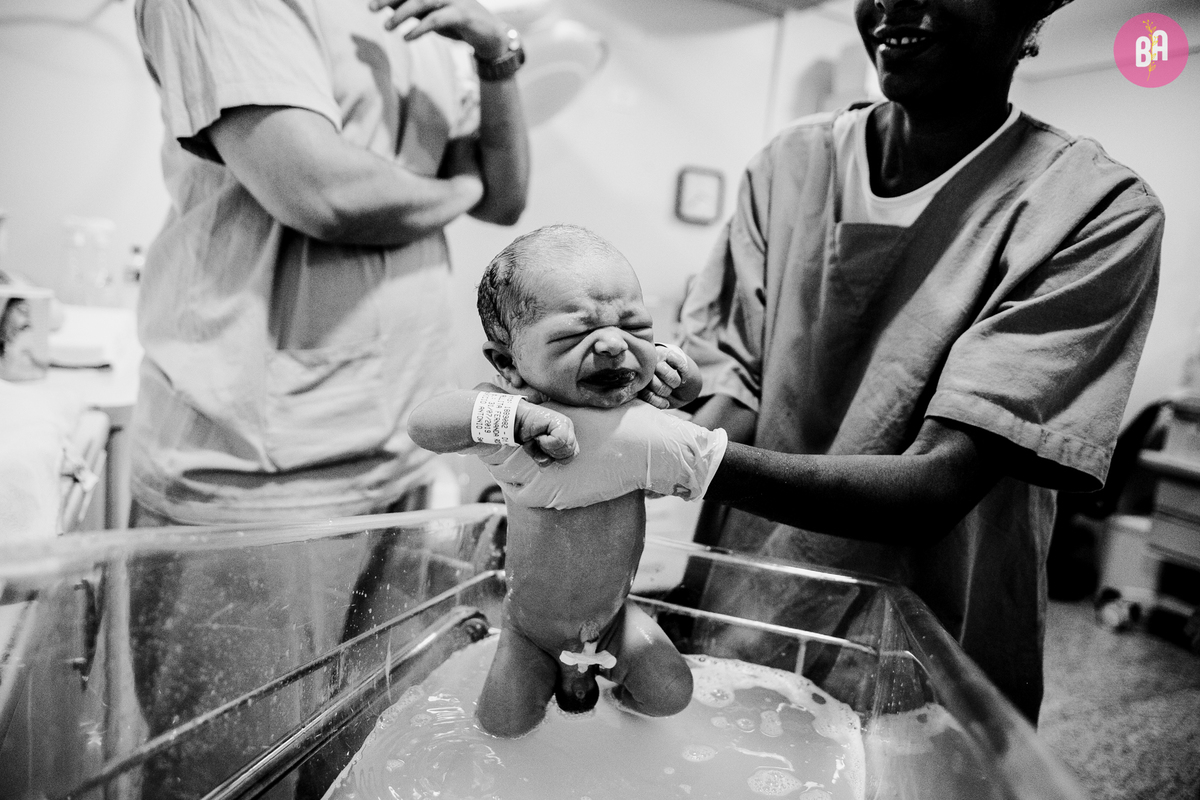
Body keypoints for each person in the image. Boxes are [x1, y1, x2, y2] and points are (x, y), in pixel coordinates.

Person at [493, 0, 1164, 725]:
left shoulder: (1094, 211)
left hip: (929, 637)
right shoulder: (788, 168)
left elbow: (936, 486)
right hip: (754, 599)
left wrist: (665, 457)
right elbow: (730, 387)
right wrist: (599, 511)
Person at [124, 0, 529, 795]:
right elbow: (321, 191)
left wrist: (495, 49)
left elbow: (507, 196)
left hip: (398, 464)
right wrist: (459, 186)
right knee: (235, 781)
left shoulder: (422, 21)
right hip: (261, 482)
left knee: (366, 771)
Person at [407, 225, 724, 736]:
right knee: (503, 728)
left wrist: (676, 372)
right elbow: (426, 423)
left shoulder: (632, 405)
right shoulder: (514, 409)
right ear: (508, 363)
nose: (613, 347)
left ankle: (623, 719)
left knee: (670, 692)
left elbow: (689, 389)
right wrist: (514, 419)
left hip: (614, 621)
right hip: (531, 632)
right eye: (576, 335)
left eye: (635, 328)